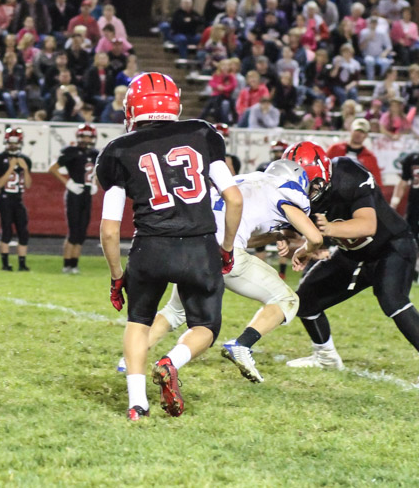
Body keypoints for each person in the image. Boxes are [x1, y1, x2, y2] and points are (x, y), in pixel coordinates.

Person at [96, 72, 242, 419]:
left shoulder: (119, 150)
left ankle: (137, 404)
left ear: (132, 108)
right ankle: (171, 361)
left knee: (139, 322)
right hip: (199, 246)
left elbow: (109, 231)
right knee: (205, 326)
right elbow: (234, 199)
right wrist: (226, 248)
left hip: (150, 247)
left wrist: (116, 276)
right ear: (174, 104)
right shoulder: (202, 133)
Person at [134, 160, 320, 383]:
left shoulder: (246, 181)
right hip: (224, 256)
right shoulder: (283, 190)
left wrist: (275, 236)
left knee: (175, 310)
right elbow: (315, 237)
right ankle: (242, 344)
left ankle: (129, 361)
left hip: (192, 247)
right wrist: (304, 250)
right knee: (287, 299)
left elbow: (238, 232)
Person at [283, 143, 419, 373]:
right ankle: (326, 358)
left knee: (392, 299)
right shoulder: (299, 195)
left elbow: (368, 225)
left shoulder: (347, 174)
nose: (305, 189)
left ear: (323, 174)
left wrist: (328, 230)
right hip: (352, 254)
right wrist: (300, 246)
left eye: (309, 182)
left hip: (391, 245)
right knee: (305, 301)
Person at [48, 124, 99, 275]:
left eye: (89, 137)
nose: (86, 140)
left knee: (82, 232)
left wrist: (94, 183)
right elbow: (53, 168)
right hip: (74, 193)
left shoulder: (95, 154)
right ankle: (67, 264)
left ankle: (74, 264)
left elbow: (97, 171)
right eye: (84, 136)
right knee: (74, 231)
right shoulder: (71, 151)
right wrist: (68, 183)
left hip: (86, 194)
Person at [0, 127, 32, 272]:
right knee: (6, 231)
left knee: (23, 232)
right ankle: (5, 264)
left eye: (15, 142)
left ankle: (22, 264)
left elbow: (28, 185)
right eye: (11, 142)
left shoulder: (25, 160)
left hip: (18, 200)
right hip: (5, 199)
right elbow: (0, 183)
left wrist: (25, 169)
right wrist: (11, 167)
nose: (13, 145)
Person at [325, 117, 383, 186]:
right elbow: (323, 167)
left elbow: (377, 182)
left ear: (366, 135)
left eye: (362, 132)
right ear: (351, 131)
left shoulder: (370, 158)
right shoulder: (335, 149)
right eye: (356, 130)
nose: (358, 134)